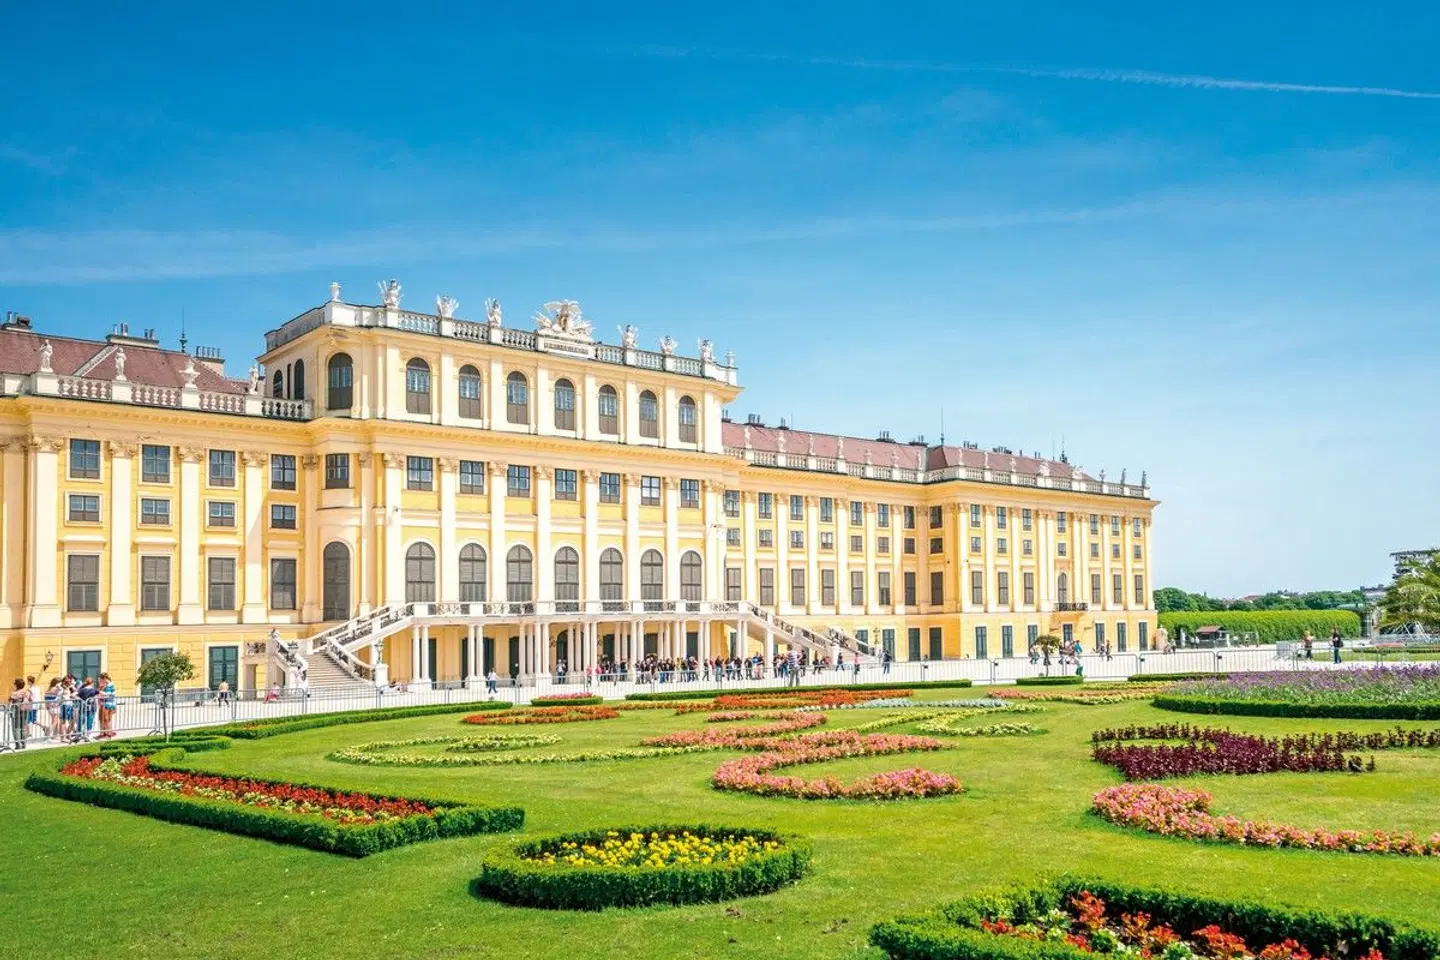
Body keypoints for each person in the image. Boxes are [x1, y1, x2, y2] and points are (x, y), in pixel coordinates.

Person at [8, 678, 30, 748]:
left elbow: (10, 699)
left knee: (16, 727)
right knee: (23, 727)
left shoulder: (15, 693)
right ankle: (24, 744)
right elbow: (30, 699)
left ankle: (18, 745)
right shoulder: (26, 691)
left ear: (16, 685)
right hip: (25, 710)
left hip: (16, 710)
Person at [98, 672, 116, 738]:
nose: (100, 681)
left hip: (107, 704)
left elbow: (109, 695)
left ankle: (107, 734)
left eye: (101, 679)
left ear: (104, 678)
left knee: (105, 719)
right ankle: (108, 733)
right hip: (109, 704)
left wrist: (101, 692)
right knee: (108, 719)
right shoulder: (109, 684)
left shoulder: (109, 685)